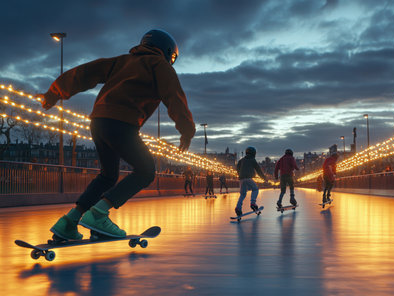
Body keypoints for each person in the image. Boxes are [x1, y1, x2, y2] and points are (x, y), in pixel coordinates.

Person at [36, 29, 196, 240]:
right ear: (168, 52)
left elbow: (85, 73)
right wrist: (186, 130)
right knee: (146, 170)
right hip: (122, 123)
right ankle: (99, 213)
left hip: (99, 121)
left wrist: (54, 93)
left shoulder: (122, 61)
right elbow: (174, 96)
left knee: (108, 175)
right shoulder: (160, 65)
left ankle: (69, 221)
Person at [235, 147, 266, 216]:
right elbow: (258, 170)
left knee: (242, 194)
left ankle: (238, 207)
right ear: (253, 153)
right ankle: (253, 203)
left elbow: (237, 168)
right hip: (248, 178)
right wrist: (264, 178)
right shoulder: (252, 160)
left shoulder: (241, 160)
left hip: (241, 179)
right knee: (255, 189)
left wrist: (240, 174)